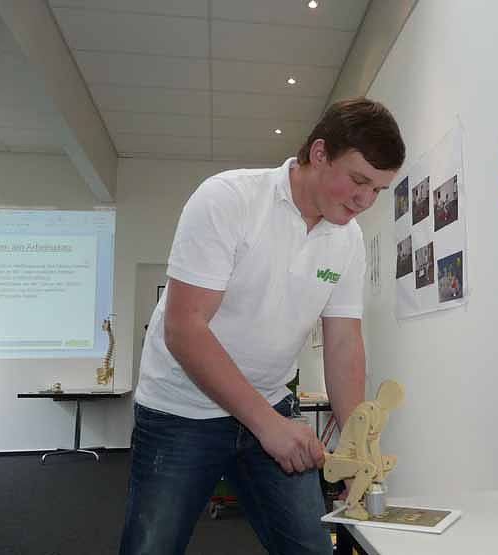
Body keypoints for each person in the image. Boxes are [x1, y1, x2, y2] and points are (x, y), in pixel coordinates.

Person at [119, 97, 405, 555]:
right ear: (319, 153)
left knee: (311, 548)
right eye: (358, 181)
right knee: (152, 547)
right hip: (180, 411)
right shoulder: (229, 199)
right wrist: (266, 424)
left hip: (270, 403)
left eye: (378, 190)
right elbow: (184, 328)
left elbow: (344, 344)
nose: (365, 201)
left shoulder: (348, 239)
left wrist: (356, 450)